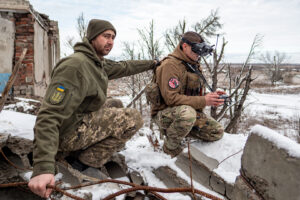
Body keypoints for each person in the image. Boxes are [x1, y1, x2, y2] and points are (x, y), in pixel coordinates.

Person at [28, 19, 156, 198]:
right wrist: (42, 167)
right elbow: (49, 116)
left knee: (116, 104)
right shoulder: (76, 66)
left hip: (76, 120)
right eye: (106, 36)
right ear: (92, 37)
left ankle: (81, 152)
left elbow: (124, 67)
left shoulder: (96, 62)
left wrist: (153, 63)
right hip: (66, 134)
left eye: (113, 37)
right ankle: (83, 162)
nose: (110, 41)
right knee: (133, 118)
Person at [151, 31, 225, 158]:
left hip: (185, 111)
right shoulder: (170, 65)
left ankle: (180, 132)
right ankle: (169, 148)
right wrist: (203, 101)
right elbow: (171, 98)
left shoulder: (192, 64)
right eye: (195, 50)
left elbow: (192, 93)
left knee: (216, 131)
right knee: (187, 114)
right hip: (165, 114)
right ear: (184, 46)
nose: (198, 55)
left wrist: (211, 97)